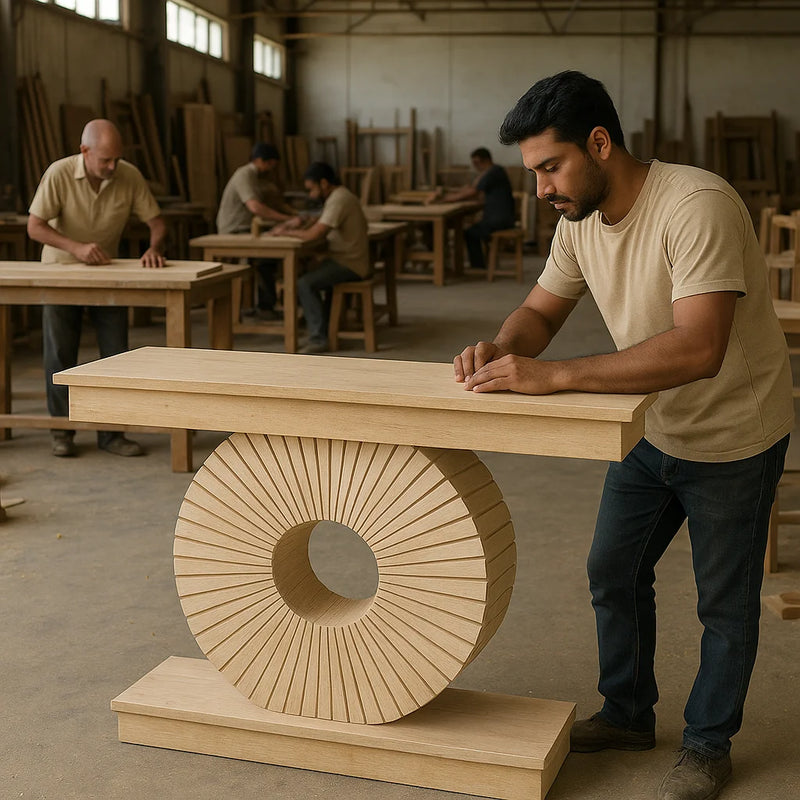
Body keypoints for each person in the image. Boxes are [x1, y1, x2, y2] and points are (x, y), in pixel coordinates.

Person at [454, 71, 793, 800]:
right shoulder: (578, 221)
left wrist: (559, 378)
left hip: (735, 433)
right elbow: (539, 314)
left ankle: (707, 745)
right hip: (652, 428)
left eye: (550, 166)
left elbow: (699, 347)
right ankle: (630, 714)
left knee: (722, 603)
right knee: (612, 569)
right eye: (533, 173)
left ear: (600, 143)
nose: (541, 188)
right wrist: (503, 348)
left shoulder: (694, 204)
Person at [27, 118, 167, 458]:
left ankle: (112, 434)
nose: (112, 166)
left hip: (108, 276)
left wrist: (155, 247)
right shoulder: (58, 173)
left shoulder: (128, 175)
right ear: (84, 151)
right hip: (61, 273)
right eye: (105, 160)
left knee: (116, 355)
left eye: (116, 159)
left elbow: (157, 222)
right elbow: (35, 226)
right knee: (60, 354)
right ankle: (62, 432)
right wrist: (74, 247)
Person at [270, 162, 369, 354]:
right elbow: (319, 218)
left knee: (305, 283)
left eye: (312, 188)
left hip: (350, 263)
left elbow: (314, 235)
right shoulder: (338, 196)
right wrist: (298, 222)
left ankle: (318, 338)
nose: (311, 194)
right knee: (309, 271)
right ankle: (315, 323)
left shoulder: (339, 198)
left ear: (323, 183)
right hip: (346, 258)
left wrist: (284, 233)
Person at [216, 143, 301, 320]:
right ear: (260, 161)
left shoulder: (257, 178)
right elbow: (255, 207)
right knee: (268, 255)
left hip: (247, 228)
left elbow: (273, 201)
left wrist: (293, 214)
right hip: (234, 230)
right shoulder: (244, 174)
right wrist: (286, 220)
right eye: (270, 164)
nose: (272, 169)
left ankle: (267, 305)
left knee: (272, 249)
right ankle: (265, 306)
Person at [427, 147, 516, 270]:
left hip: (499, 221)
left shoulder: (493, 172)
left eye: (476, 163)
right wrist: (450, 194)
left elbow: (473, 192)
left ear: (482, 161)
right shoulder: (494, 171)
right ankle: (474, 265)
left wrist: (445, 199)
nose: (475, 166)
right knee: (471, 231)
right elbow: (472, 188)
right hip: (500, 218)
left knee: (471, 233)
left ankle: (478, 267)